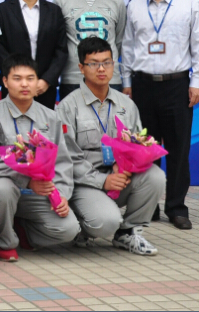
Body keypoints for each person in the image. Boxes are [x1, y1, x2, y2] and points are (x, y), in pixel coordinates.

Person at [123, 0, 199, 230]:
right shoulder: (134, 6)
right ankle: (148, 206)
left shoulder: (190, 4)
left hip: (177, 85)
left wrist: (197, 81)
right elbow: (127, 46)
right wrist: (127, 83)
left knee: (177, 149)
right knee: (144, 149)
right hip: (142, 85)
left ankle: (176, 207)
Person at [57, 37, 164, 254]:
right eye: (94, 64)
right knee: (105, 222)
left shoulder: (127, 104)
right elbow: (67, 159)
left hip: (118, 178)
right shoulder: (68, 106)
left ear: (113, 65)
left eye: (106, 63)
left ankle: (129, 232)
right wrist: (103, 180)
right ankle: (82, 225)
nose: (101, 69)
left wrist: (125, 167)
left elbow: (138, 145)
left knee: (155, 176)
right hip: (83, 184)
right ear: (81, 68)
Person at [0, 54, 79, 261]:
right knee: (2, 189)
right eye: (17, 78)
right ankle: (6, 241)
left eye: (30, 78)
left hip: (38, 194)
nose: (24, 84)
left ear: (37, 82)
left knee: (69, 230)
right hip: (2, 191)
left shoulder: (51, 117)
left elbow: (62, 161)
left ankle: (23, 230)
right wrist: (27, 181)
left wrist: (61, 194)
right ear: (5, 81)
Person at [0, 0, 67, 108]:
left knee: (44, 122)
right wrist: (17, 79)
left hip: (44, 87)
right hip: (13, 86)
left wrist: (46, 80)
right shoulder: (2, 10)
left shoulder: (53, 11)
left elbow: (61, 50)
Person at [54, 0, 126, 101]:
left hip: (109, 79)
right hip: (73, 78)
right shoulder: (61, 2)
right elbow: (58, 42)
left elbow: (119, 41)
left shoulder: (117, 2)